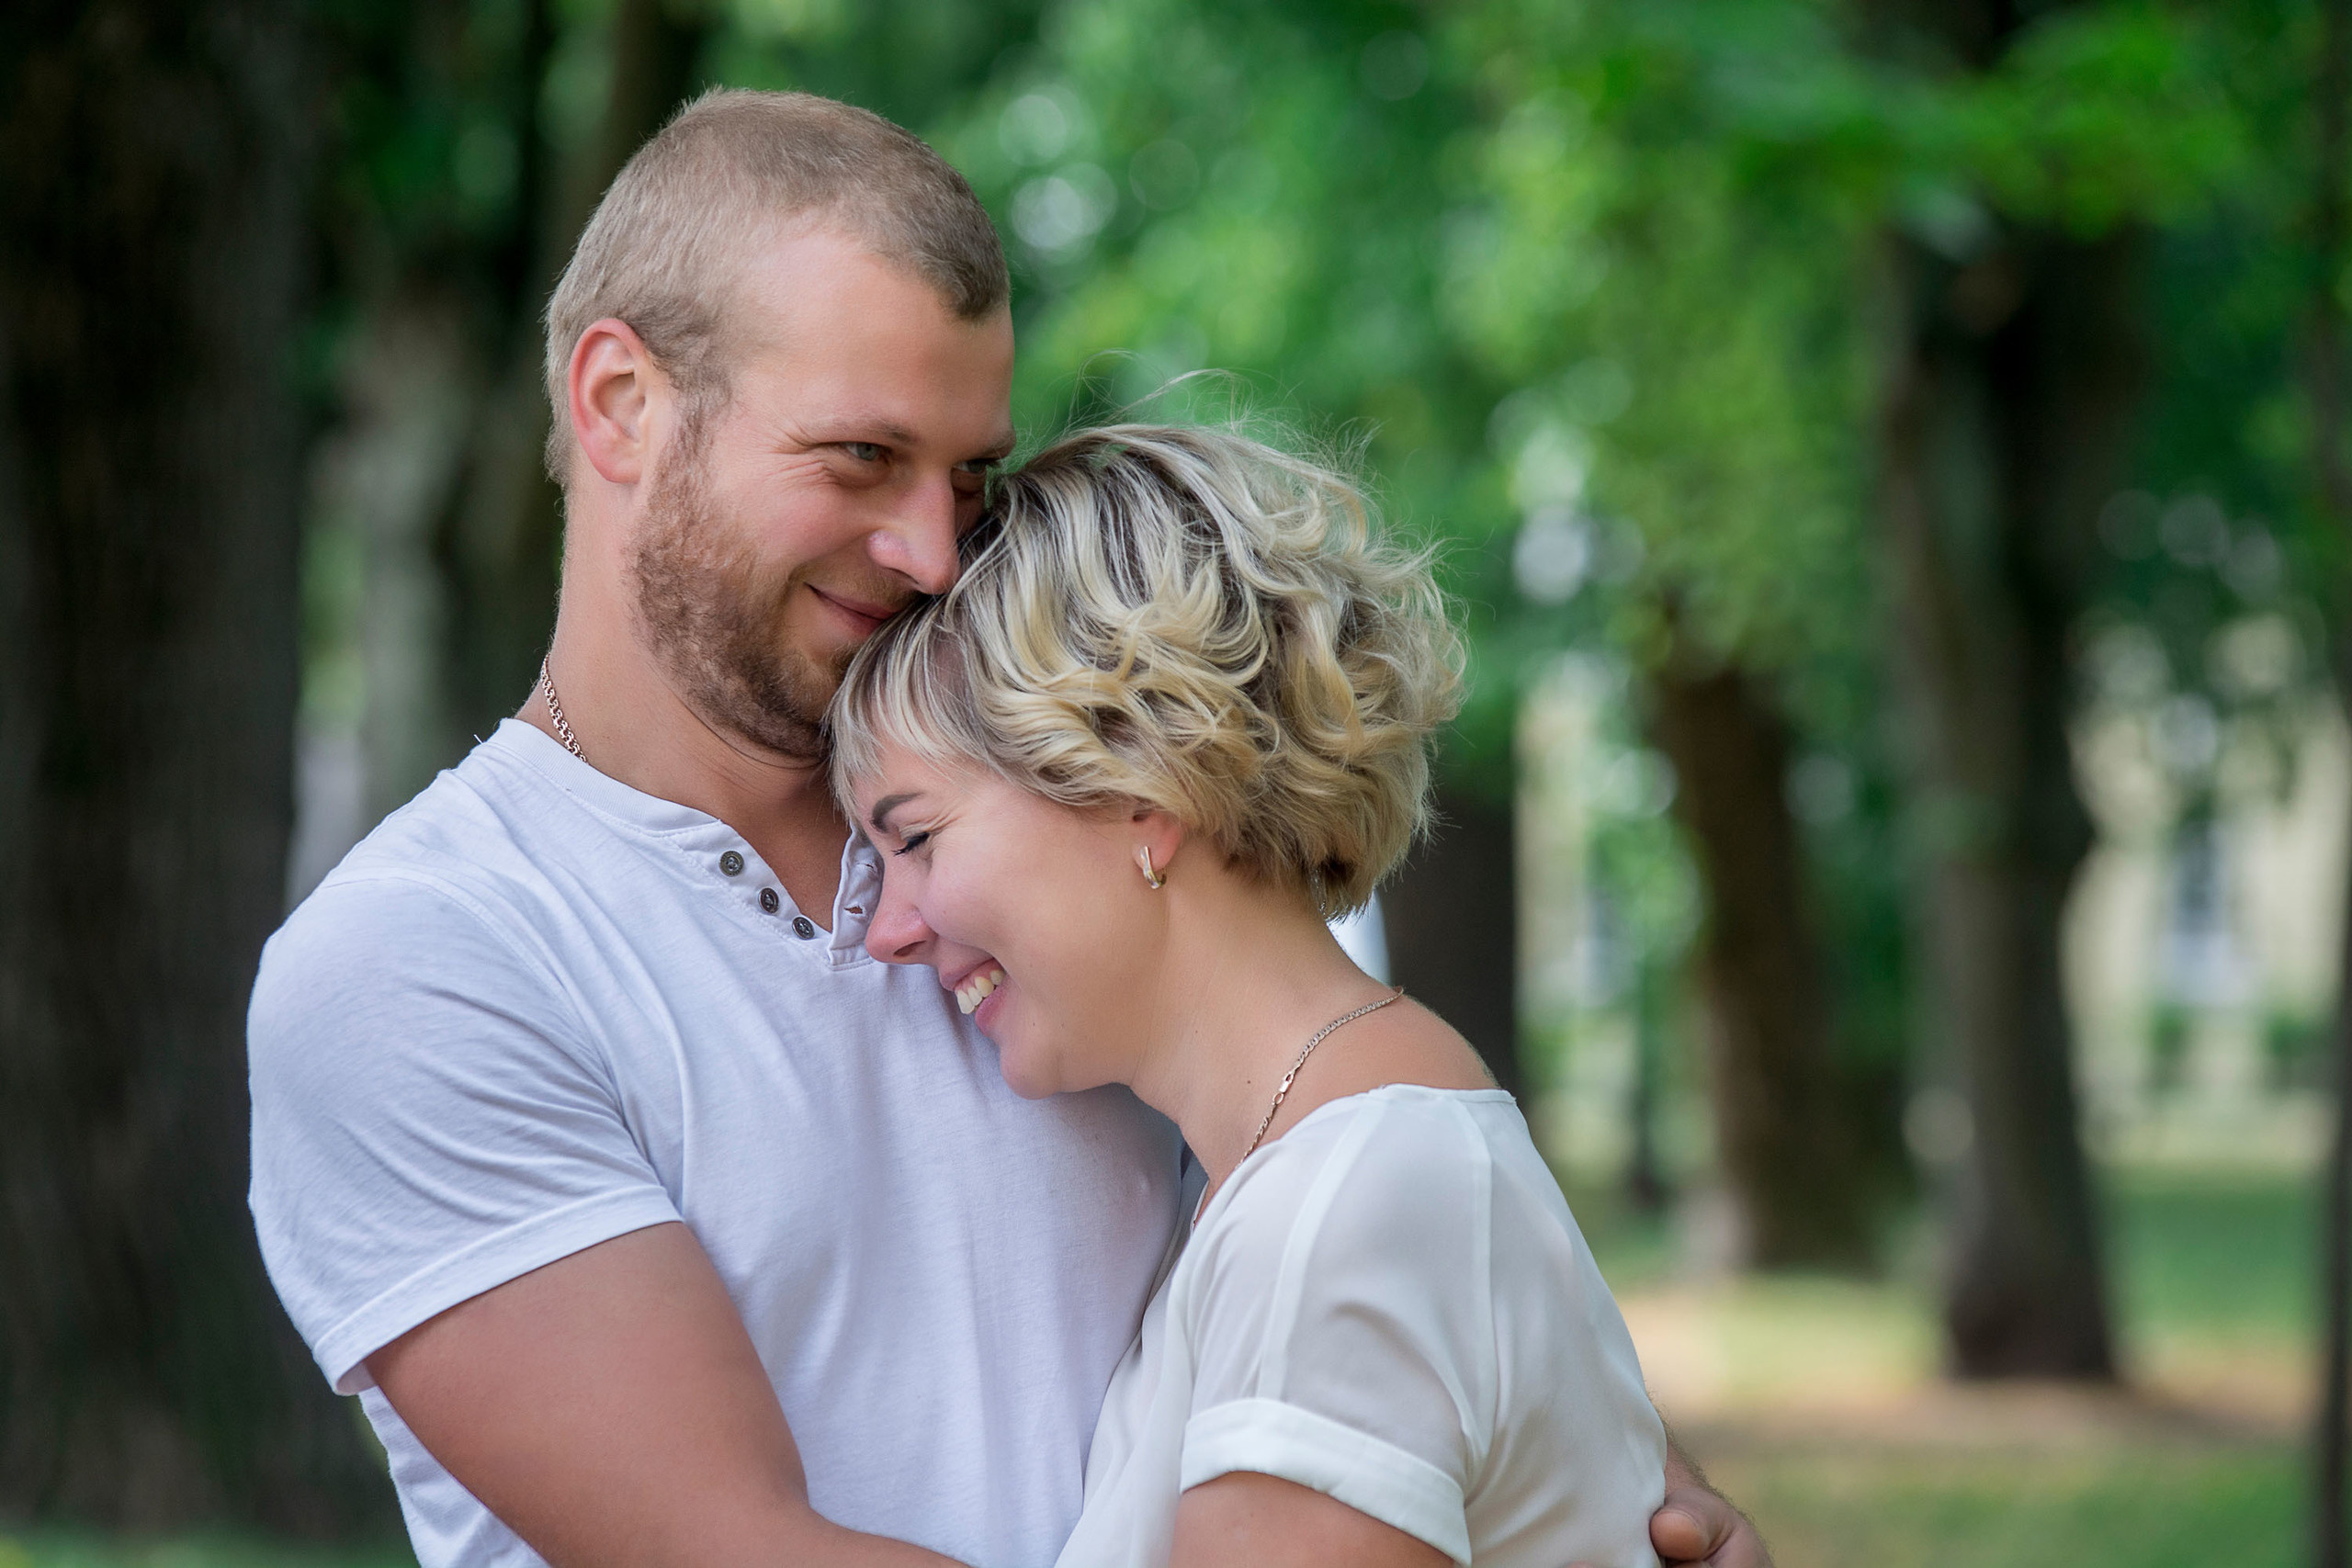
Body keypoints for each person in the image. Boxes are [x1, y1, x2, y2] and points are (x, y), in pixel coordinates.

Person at [246, 88, 1770, 1568]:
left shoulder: (1039, 837)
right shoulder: (423, 964)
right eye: (861, 458)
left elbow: (1357, 1188)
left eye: (967, 476)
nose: (927, 549)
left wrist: (1598, 1472)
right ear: (621, 403)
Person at [831, 423, 1668, 1567]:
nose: (888, 928)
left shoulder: (1340, 1211)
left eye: (917, 837)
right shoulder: (1324, 1171)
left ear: (1135, 777)